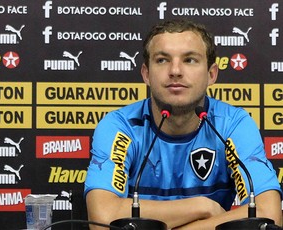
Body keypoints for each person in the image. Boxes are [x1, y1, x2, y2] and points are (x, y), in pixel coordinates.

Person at [84, 19, 282, 229]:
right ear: (146, 74)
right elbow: (102, 220)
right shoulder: (120, 125)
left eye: (190, 60)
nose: (175, 71)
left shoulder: (233, 124)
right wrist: (202, 206)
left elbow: (268, 216)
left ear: (211, 74)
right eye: (162, 60)